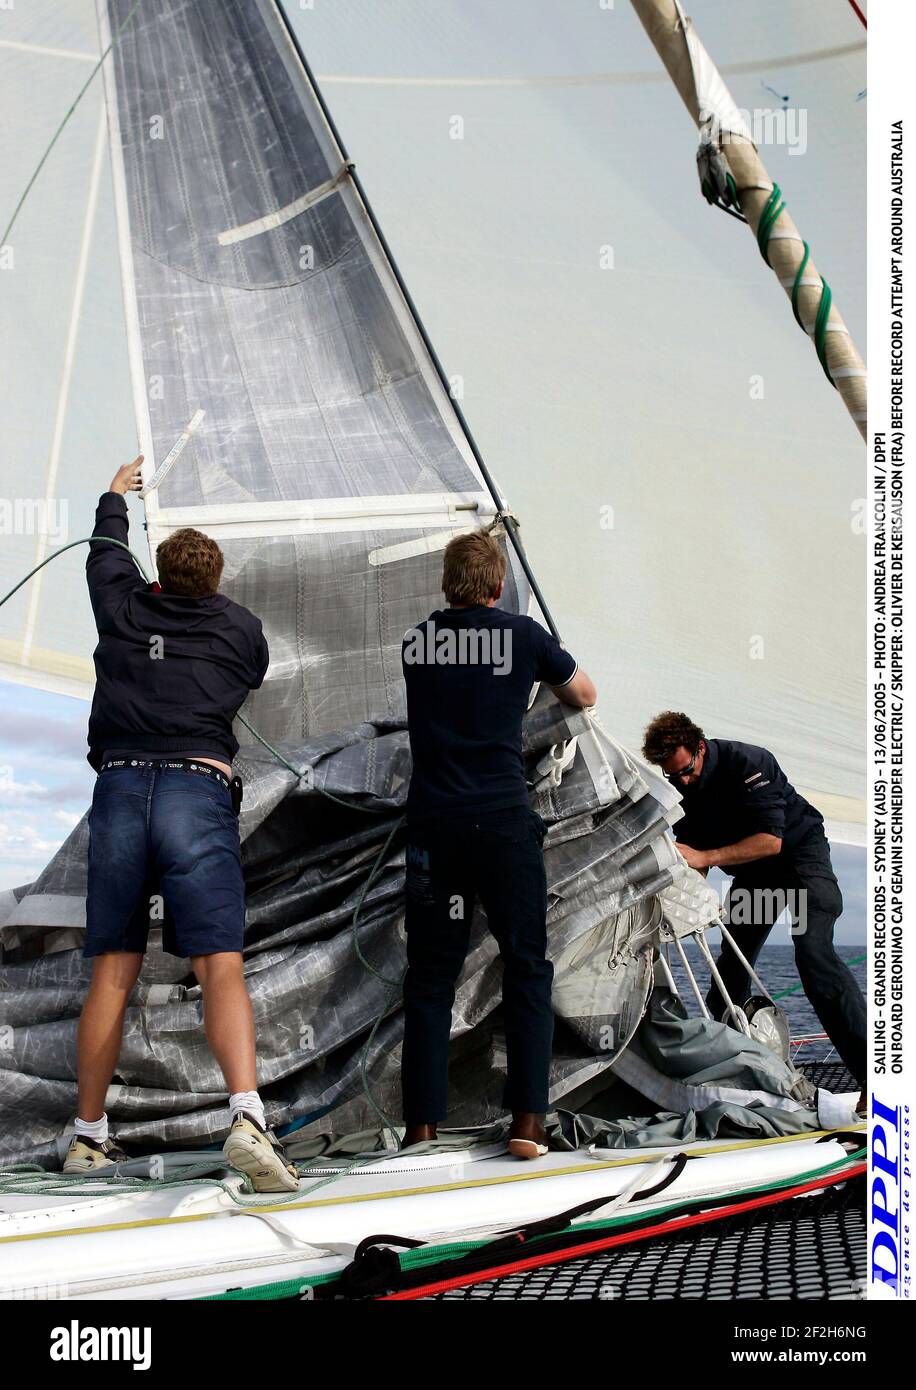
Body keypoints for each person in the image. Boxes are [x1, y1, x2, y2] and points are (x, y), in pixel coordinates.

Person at [63, 457, 297, 1191]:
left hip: (123, 789)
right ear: (217, 579)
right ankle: (247, 1116)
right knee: (217, 962)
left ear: (157, 574)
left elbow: (105, 558)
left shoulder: (124, 608)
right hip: (197, 791)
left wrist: (113, 494)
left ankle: (88, 1136)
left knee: (112, 969)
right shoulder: (240, 629)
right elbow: (250, 673)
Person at [400, 529, 597, 1158]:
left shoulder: (416, 643)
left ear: (445, 584)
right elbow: (585, 694)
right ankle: (527, 1123)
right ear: (497, 585)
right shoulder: (525, 636)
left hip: (435, 827)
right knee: (526, 965)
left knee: (431, 976)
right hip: (503, 823)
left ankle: (421, 1128)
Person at [641, 710, 866, 1086]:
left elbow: (769, 841)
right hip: (756, 878)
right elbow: (693, 857)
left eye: (686, 770)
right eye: (672, 775)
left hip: (799, 864)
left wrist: (705, 858)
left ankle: (872, 1079)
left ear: (700, 747)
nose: (681, 780)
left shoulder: (748, 762)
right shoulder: (680, 790)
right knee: (727, 980)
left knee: (814, 957)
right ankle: (745, 1075)